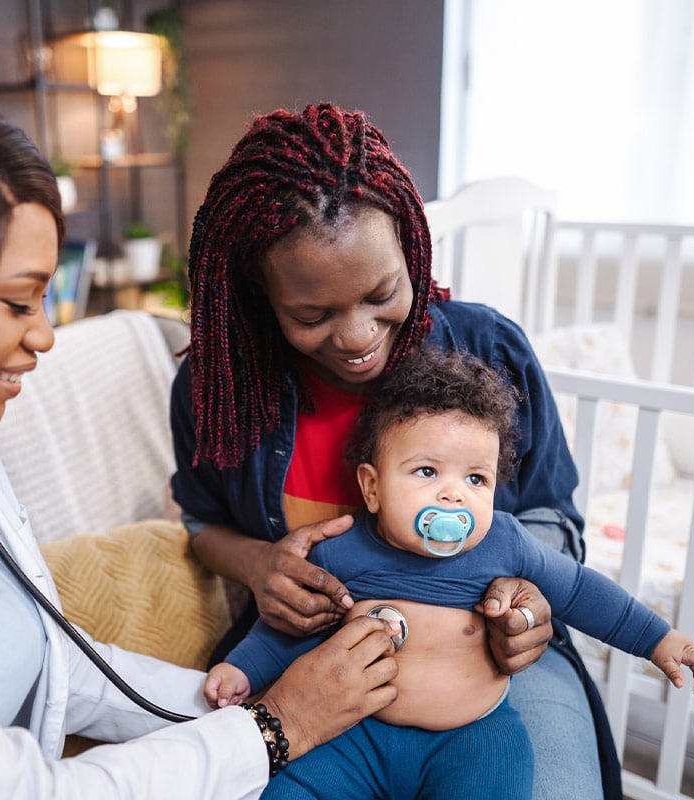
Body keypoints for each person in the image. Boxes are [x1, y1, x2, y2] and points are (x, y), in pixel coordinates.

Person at [0, 69, 405, 800]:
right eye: (18, 302)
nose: (45, 335)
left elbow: (57, 666)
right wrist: (275, 727)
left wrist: (246, 699)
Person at [170, 103, 617, 799]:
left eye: (382, 293)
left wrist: (525, 605)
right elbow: (199, 525)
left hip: (484, 664)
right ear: (262, 294)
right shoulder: (216, 385)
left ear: (412, 248)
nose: (354, 336)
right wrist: (261, 566)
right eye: (311, 315)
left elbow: (553, 519)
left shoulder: (489, 348)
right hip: (308, 658)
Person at [203, 347, 694, 799]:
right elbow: (287, 627)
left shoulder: (505, 541)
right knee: (284, 789)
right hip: (353, 735)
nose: (453, 494)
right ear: (372, 488)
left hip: (475, 741)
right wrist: (242, 668)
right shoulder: (341, 550)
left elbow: (584, 593)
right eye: (427, 472)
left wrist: (660, 640)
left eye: (476, 477)